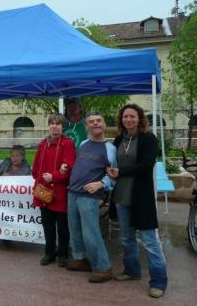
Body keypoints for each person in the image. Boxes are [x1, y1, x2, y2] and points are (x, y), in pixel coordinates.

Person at [106, 104, 168, 298]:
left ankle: (158, 281)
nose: (129, 120)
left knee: (149, 240)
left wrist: (121, 172)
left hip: (141, 196)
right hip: (121, 196)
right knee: (126, 237)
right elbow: (112, 163)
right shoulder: (118, 140)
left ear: (140, 119)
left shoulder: (149, 139)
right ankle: (132, 271)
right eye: (125, 117)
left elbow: (147, 165)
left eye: (132, 116)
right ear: (121, 120)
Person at [65, 111, 116, 283]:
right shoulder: (84, 144)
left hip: (89, 196)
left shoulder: (110, 149)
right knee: (75, 230)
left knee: (90, 233)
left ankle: (103, 267)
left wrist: (101, 184)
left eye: (98, 121)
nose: (95, 124)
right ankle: (80, 259)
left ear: (104, 124)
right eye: (91, 122)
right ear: (87, 126)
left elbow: (114, 175)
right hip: (72, 193)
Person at [31, 114, 75, 267]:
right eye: (52, 123)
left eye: (58, 124)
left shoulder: (67, 144)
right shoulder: (43, 143)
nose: (55, 126)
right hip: (43, 191)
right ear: (49, 126)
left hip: (60, 192)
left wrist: (54, 176)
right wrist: (38, 176)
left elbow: (69, 168)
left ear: (63, 127)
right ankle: (49, 252)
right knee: (47, 225)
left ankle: (63, 254)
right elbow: (35, 167)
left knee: (62, 227)